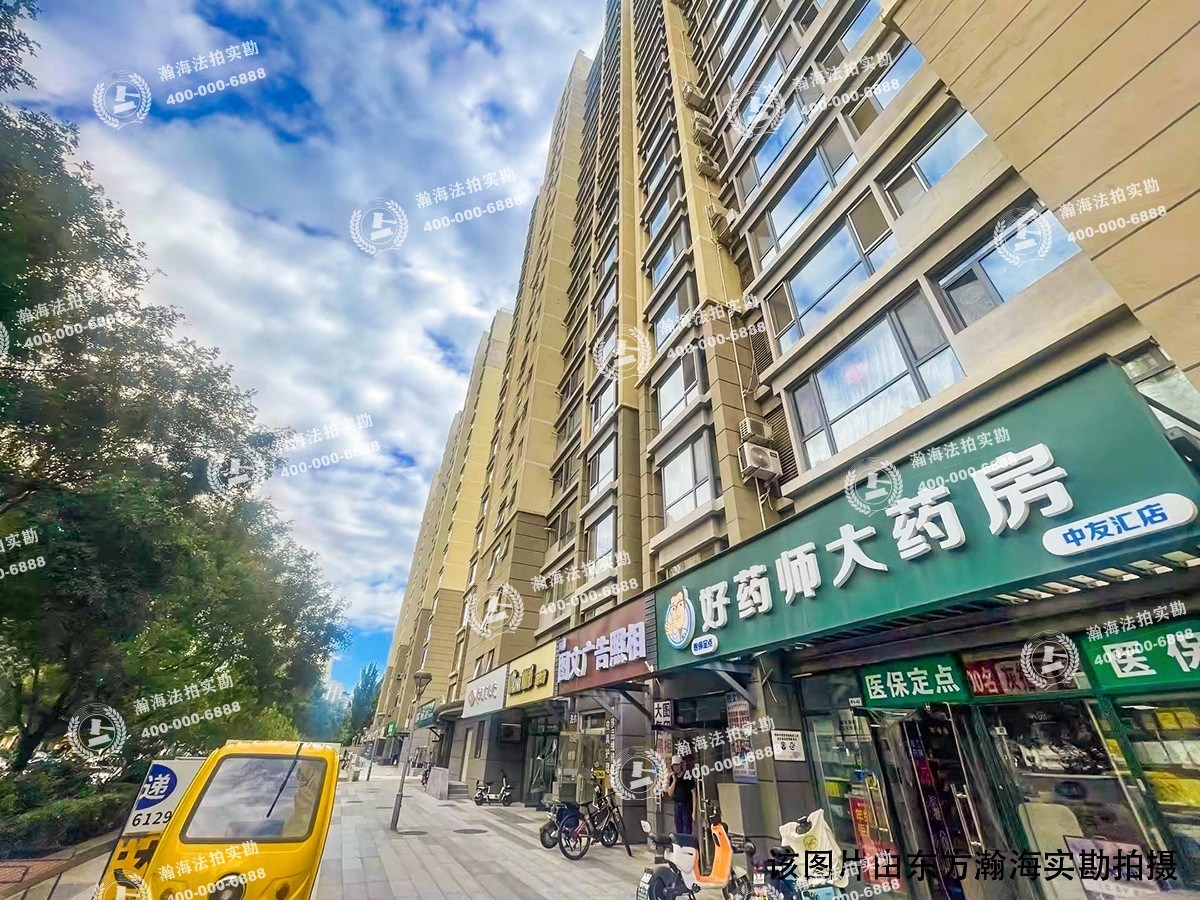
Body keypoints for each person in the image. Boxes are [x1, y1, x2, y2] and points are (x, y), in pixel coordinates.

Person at [664, 754, 695, 836]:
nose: (676, 768)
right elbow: (670, 793)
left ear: (681, 765)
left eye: (677, 765)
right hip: (677, 805)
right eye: (674, 766)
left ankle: (687, 843)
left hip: (686, 805)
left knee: (687, 828)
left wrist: (694, 812)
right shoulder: (673, 777)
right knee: (679, 828)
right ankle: (680, 843)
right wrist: (674, 780)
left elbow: (693, 793)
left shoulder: (687, 776)